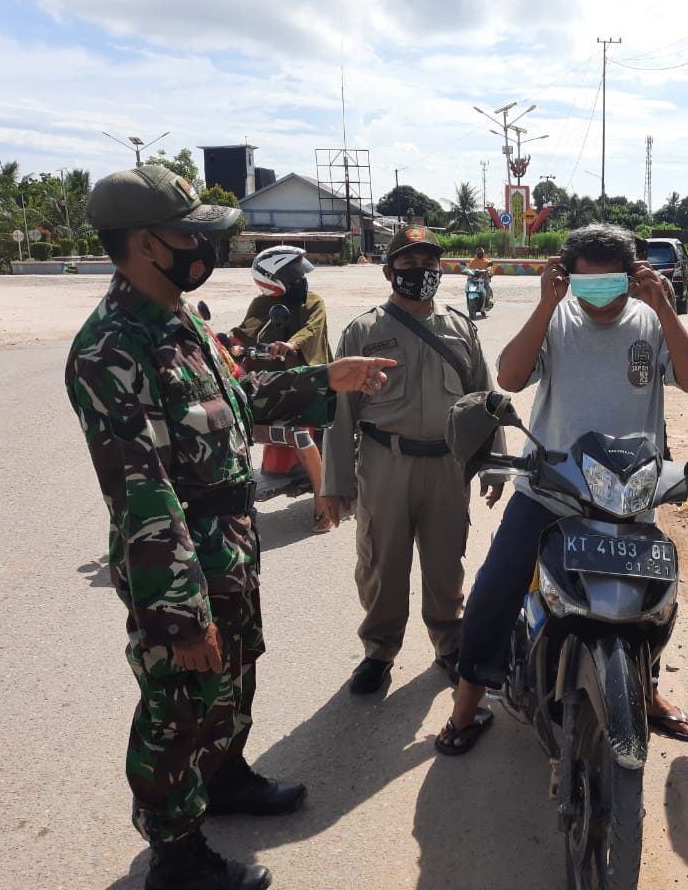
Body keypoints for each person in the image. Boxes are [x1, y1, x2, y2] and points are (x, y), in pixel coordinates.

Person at [65, 166, 394, 890]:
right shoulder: (112, 349)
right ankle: (176, 859)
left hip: (229, 541)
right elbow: (142, 492)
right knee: (178, 703)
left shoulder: (181, 319)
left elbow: (235, 400)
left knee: (235, 674)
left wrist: (325, 379)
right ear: (147, 244)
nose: (202, 247)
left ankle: (225, 777)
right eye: (189, 233)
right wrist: (181, 615)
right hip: (179, 554)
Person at [436, 222, 688, 754]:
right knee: (495, 592)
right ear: (568, 279)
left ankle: (646, 690)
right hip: (551, 490)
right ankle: (465, 707)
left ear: (633, 278)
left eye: (611, 284)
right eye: (587, 286)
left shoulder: (651, 322)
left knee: (653, 603)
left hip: (629, 495)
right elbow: (511, 379)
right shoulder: (557, 318)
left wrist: (665, 308)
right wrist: (545, 304)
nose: (598, 298)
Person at [319, 225, 504, 695]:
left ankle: (449, 643)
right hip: (386, 464)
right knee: (383, 563)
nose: (420, 272)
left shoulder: (461, 327)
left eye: (428, 264)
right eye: (408, 264)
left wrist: (495, 462)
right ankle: (379, 652)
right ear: (389, 271)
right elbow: (340, 415)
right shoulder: (364, 331)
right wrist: (335, 484)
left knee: (446, 563)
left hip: (447, 465)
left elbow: (484, 398)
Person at [233, 244, 335, 531]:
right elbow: (246, 331)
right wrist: (225, 341)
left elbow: (312, 330)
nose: (301, 281)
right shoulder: (260, 305)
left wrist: (290, 345)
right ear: (273, 281)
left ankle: (322, 500)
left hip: (310, 379)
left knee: (300, 433)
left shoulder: (313, 301)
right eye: (293, 278)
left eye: (300, 276)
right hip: (272, 382)